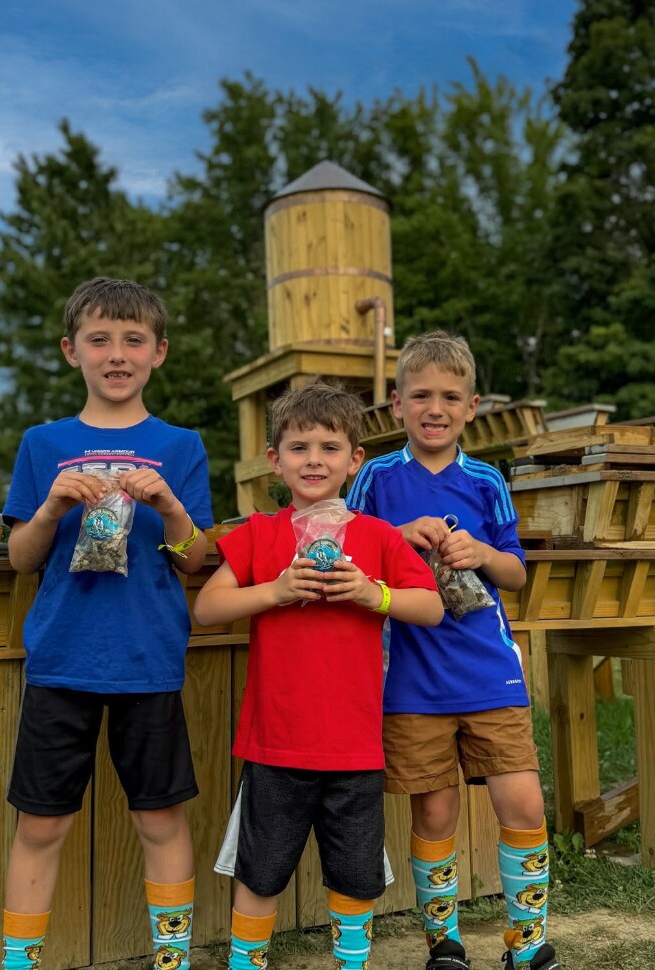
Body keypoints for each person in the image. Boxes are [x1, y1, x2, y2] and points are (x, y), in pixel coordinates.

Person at [0, 277, 212, 970]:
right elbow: (21, 559)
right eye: (99, 340)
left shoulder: (182, 445)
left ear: (159, 352)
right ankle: (20, 963)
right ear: (72, 351)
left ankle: (172, 961)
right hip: (60, 660)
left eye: (133, 340)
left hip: (149, 661)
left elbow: (194, 559)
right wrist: (50, 508)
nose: (116, 354)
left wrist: (171, 507)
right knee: (41, 825)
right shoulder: (43, 443)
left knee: (160, 819)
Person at [194, 383, 444, 970]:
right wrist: (276, 590)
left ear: (354, 460)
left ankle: (350, 962)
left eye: (329, 448)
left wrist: (373, 593)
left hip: (356, 746)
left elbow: (431, 607)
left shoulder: (379, 536)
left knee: (355, 876)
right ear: (275, 460)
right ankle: (246, 963)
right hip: (275, 744)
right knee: (260, 871)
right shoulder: (260, 533)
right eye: (298, 447)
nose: (314, 460)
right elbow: (206, 609)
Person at [346, 331, 561, 970]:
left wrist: (484, 552)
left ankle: (528, 945)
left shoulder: (487, 480)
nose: (434, 408)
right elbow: (346, 547)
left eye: (449, 397)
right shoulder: (376, 477)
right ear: (397, 405)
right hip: (410, 676)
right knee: (435, 812)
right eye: (420, 396)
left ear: (472, 407)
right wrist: (397, 536)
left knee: (522, 802)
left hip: (489, 670)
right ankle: (445, 945)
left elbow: (516, 572)